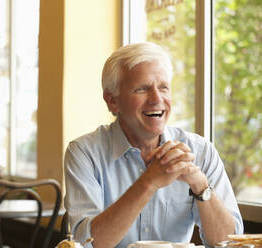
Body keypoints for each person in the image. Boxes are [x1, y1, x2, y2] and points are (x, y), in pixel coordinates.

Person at [64, 42, 243, 248]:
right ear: (112, 101)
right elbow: (88, 245)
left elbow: (229, 242)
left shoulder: (200, 151)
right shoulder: (84, 153)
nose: (157, 99)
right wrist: (149, 182)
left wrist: (200, 185)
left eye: (163, 87)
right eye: (142, 89)